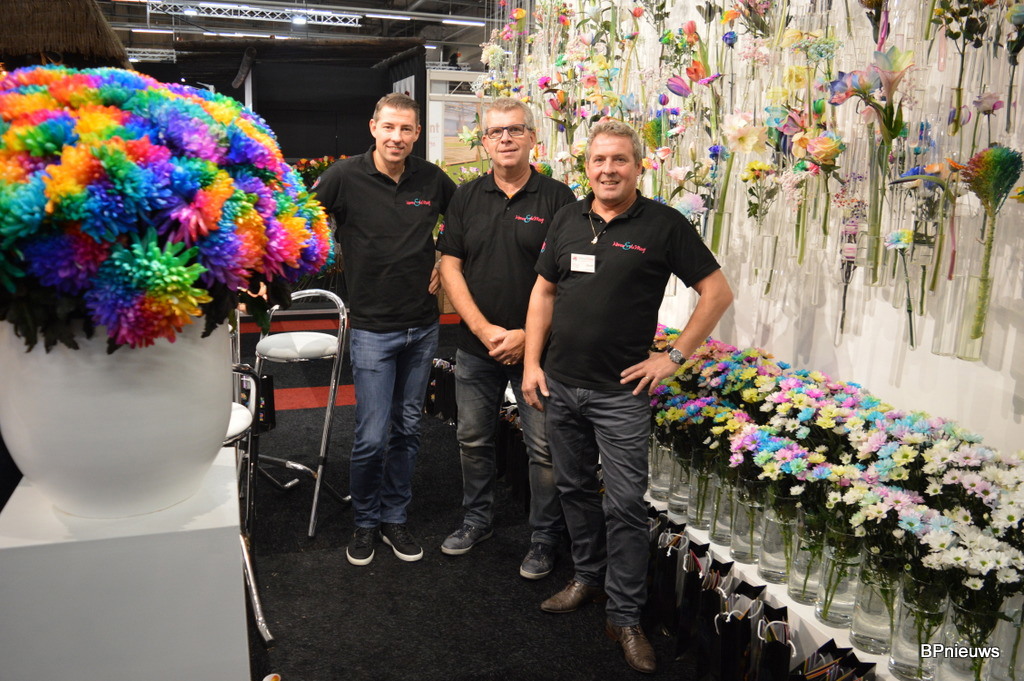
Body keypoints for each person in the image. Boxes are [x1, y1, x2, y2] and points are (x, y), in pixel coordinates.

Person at [521, 119, 734, 674]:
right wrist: (531, 364)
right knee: (573, 489)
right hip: (560, 385)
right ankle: (587, 578)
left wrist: (674, 357)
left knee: (624, 506)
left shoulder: (664, 224)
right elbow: (543, 293)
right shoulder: (568, 218)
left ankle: (625, 616)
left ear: (639, 167)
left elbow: (716, 292)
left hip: (619, 394)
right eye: (599, 160)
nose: (608, 170)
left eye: (619, 160)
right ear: (586, 167)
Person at [313, 93, 457, 567]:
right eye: (389, 127)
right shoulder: (343, 176)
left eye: (406, 129)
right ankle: (365, 521)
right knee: (372, 435)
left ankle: (395, 516)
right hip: (373, 328)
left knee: (408, 429)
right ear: (373, 127)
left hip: (423, 327)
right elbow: (300, 217)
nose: (397, 137)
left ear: (417, 134)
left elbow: (463, 223)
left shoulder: (431, 178)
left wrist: (444, 258)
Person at [436, 98, 576, 578]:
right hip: (477, 347)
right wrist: (484, 329)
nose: (506, 139)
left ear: (533, 137)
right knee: (473, 439)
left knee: (543, 450)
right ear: (484, 141)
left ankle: (544, 538)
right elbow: (449, 267)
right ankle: (477, 520)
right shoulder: (465, 196)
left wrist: (525, 336)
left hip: (538, 353)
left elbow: (567, 280)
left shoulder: (559, 199)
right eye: (496, 132)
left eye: (515, 129)